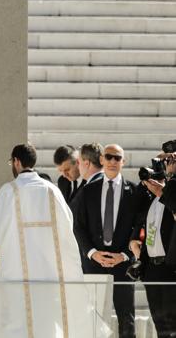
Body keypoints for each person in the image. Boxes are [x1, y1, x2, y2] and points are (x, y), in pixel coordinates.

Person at [0, 143, 109, 338]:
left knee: (16, 326)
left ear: (16, 162)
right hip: (49, 276)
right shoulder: (52, 191)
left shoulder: (9, 191)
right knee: (46, 326)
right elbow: (67, 228)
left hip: (16, 276)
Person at [73, 144, 139, 338]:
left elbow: (139, 228)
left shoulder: (134, 192)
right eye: (108, 157)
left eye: (117, 158)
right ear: (101, 160)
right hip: (94, 263)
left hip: (122, 264)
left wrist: (124, 255)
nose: (112, 161)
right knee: (92, 317)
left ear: (123, 162)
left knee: (126, 317)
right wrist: (93, 253)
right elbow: (78, 226)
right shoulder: (88, 190)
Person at [129, 153, 176, 337]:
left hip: (171, 268)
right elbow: (139, 218)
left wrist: (171, 178)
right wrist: (134, 240)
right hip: (152, 269)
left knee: (173, 327)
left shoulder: (171, 195)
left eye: (168, 162)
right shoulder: (151, 198)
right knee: (160, 325)